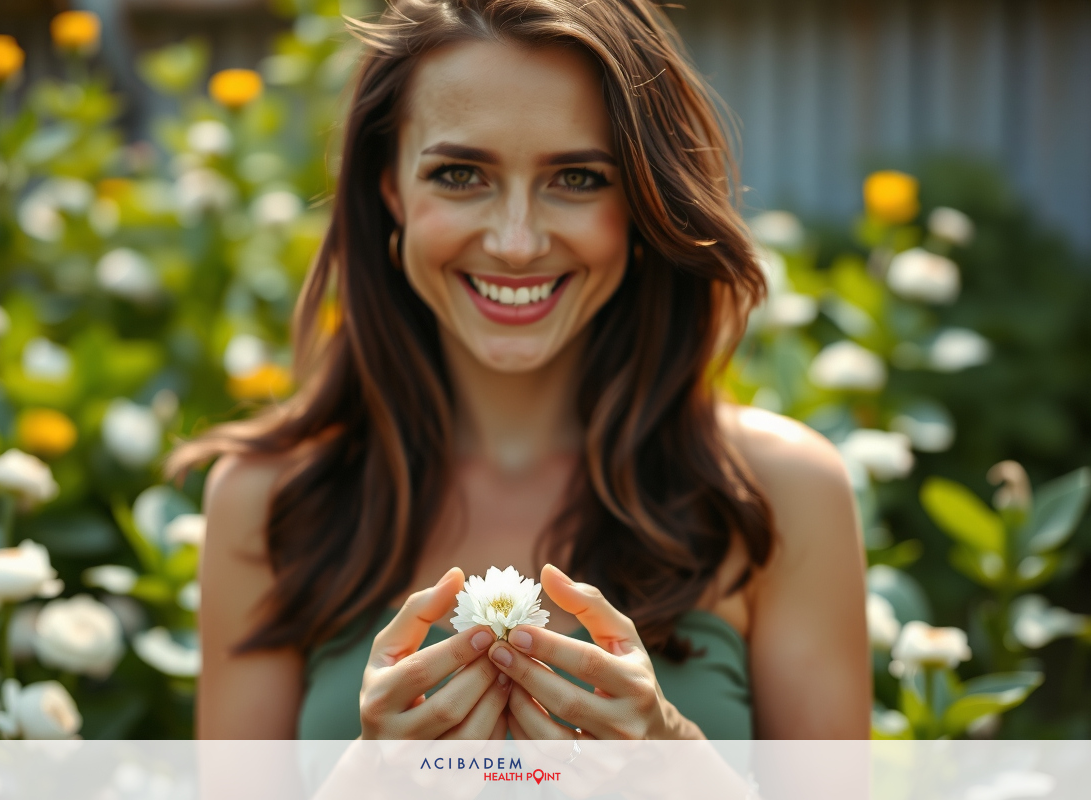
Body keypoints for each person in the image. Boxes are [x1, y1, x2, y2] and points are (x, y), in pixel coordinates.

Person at [167, 0, 869, 741]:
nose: (515, 242)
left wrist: (677, 769)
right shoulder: (267, 503)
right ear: (390, 187)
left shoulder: (781, 494)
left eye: (577, 178)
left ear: (642, 199)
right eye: (461, 173)